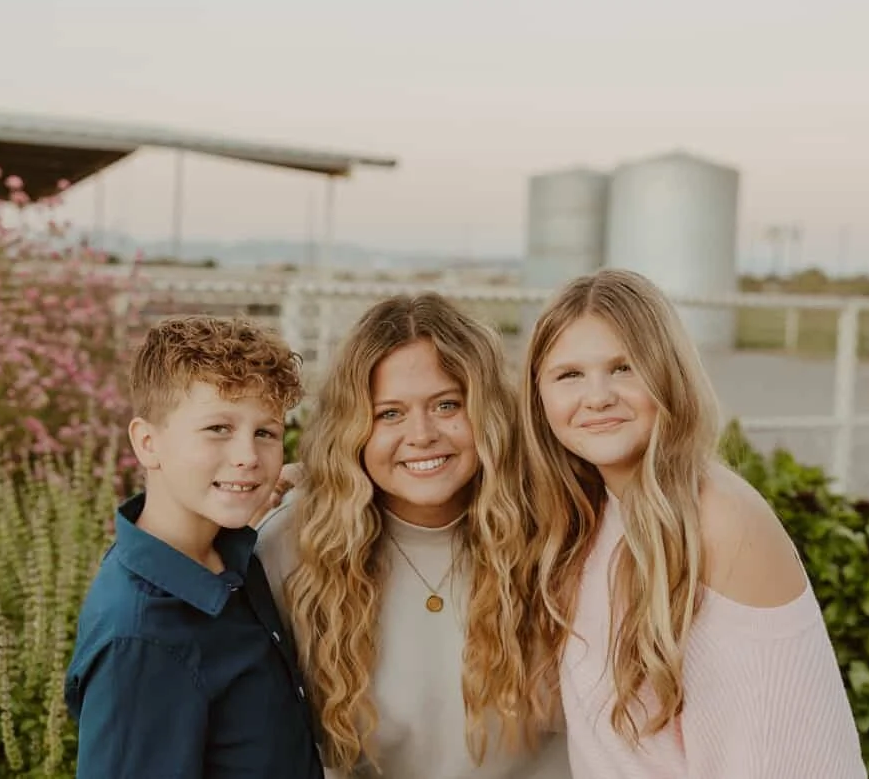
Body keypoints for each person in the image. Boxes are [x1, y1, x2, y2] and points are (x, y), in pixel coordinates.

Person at [520, 268, 867, 778]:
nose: (597, 396)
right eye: (569, 374)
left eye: (624, 367)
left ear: (668, 374)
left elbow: (784, 755)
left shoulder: (716, 517)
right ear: (539, 397)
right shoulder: (589, 514)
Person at [257, 293, 570, 779]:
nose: (421, 434)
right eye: (390, 414)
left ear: (487, 411)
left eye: (447, 404)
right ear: (353, 429)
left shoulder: (557, 531)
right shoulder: (294, 549)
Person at [64, 315, 323, 779]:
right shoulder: (142, 639)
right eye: (218, 429)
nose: (248, 455)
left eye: (265, 432)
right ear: (148, 443)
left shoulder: (226, 555)